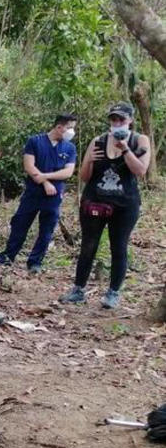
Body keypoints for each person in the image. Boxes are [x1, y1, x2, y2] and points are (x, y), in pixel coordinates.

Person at [59, 102, 151, 309]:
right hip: (95, 201)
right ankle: (78, 290)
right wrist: (90, 160)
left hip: (125, 205)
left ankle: (113, 293)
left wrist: (126, 149)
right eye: (113, 120)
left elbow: (140, 171)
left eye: (121, 120)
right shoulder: (98, 141)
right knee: (88, 246)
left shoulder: (139, 140)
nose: (117, 123)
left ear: (130, 121)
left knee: (118, 247)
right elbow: (83, 176)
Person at [0, 114, 78, 274]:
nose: (72, 132)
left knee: (46, 230)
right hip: (33, 193)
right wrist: (44, 182)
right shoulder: (35, 141)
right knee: (20, 224)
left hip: (54, 196)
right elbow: (29, 166)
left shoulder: (70, 148)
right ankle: (8, 256)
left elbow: (68, 172)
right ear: (59, 127)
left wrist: (46, 176)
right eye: (70, 127)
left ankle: (35, 262)